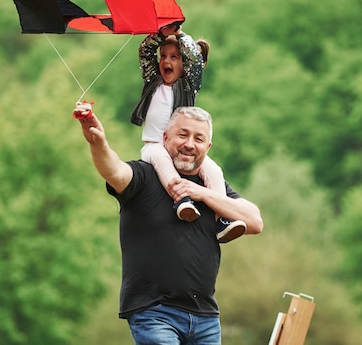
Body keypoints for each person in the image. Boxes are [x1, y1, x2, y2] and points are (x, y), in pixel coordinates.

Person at [74, 105, 263, 345]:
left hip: (205, 317)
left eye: (199, 138)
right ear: (165, 138)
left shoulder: (212, 188)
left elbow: (255, 221)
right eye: (182, 135)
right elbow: (114, 171)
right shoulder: (144, 176)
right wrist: (98, 143)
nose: (189, 144)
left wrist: (202, 194)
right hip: (155, 312)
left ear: (208, 147)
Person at [130, 25, 246, 242]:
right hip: (155, 144)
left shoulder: (188, 84)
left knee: (213, 170)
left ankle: (223, 218)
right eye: (163, 56)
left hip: (182, 147)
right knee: (162, 161)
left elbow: (193, 58)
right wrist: (161, 34)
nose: (166, 62)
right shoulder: (152, 80)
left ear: (185, 64)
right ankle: (182, 199)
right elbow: (145, 50)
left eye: (174, 57)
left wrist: (180, 33)